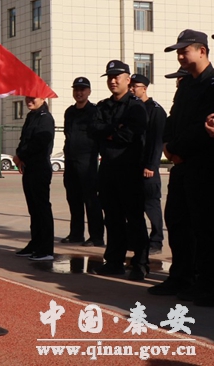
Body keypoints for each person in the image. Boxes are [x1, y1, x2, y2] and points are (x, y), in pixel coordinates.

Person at [152, 30, 214, 304]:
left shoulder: (211, 84)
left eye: (184, 51)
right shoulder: (187, 84)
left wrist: (178, 149)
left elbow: (204, 126)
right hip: (180, 165)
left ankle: (207, 283)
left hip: (203, 165)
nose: (179, 56)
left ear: (202, 51)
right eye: (178, 52)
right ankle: (180, 276)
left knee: (204, 227)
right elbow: (173, 119)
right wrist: (167, 145)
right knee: (177, 222)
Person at [90, 60, 149, 281]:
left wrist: (108, 132)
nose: (113, 81)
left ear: (128, 79)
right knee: (112, 218)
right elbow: (93, 129)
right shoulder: (103, 106)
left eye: (117, 77)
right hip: (108, 169)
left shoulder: (135, 106)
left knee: (134, 218)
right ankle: (114, 261)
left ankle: (140, 264)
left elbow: (130, 134)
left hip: (129, 169)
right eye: (109, 77)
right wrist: (114, 129)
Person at [61, 77, 103, 247]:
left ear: (89, 92)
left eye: (82, 89)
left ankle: (96, 237)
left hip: (87, 162)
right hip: (71, 161)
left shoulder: (94, 111)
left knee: (91, 200)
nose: (79, 93)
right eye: (76, 89)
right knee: (73, 199)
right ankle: (76, 234)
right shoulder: (69, 112)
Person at [13, 96, 56, 261]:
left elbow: (39, 143)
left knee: (41, 207)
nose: (29, 100)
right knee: (33, 208)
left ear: (43, 98)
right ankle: (36, 243)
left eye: (33, 97)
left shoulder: (45, 118)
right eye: (27, 97)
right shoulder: (32, 116)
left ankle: (46, 248)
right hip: (29, 167)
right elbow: (24, 140)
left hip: (40, 167)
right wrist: (19, 155)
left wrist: (21, 155)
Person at [129, 73, 166, 255]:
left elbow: (157, 141)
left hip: (148, 167)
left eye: (135, 86)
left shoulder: (155, 110)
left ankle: (156, 241)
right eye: (130, 86)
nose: (131, 89)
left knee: (151, 205)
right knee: (134, 205)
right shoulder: (132, 108)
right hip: (132, 166)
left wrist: (151, 165)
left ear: (144, 88)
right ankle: (137, 240)